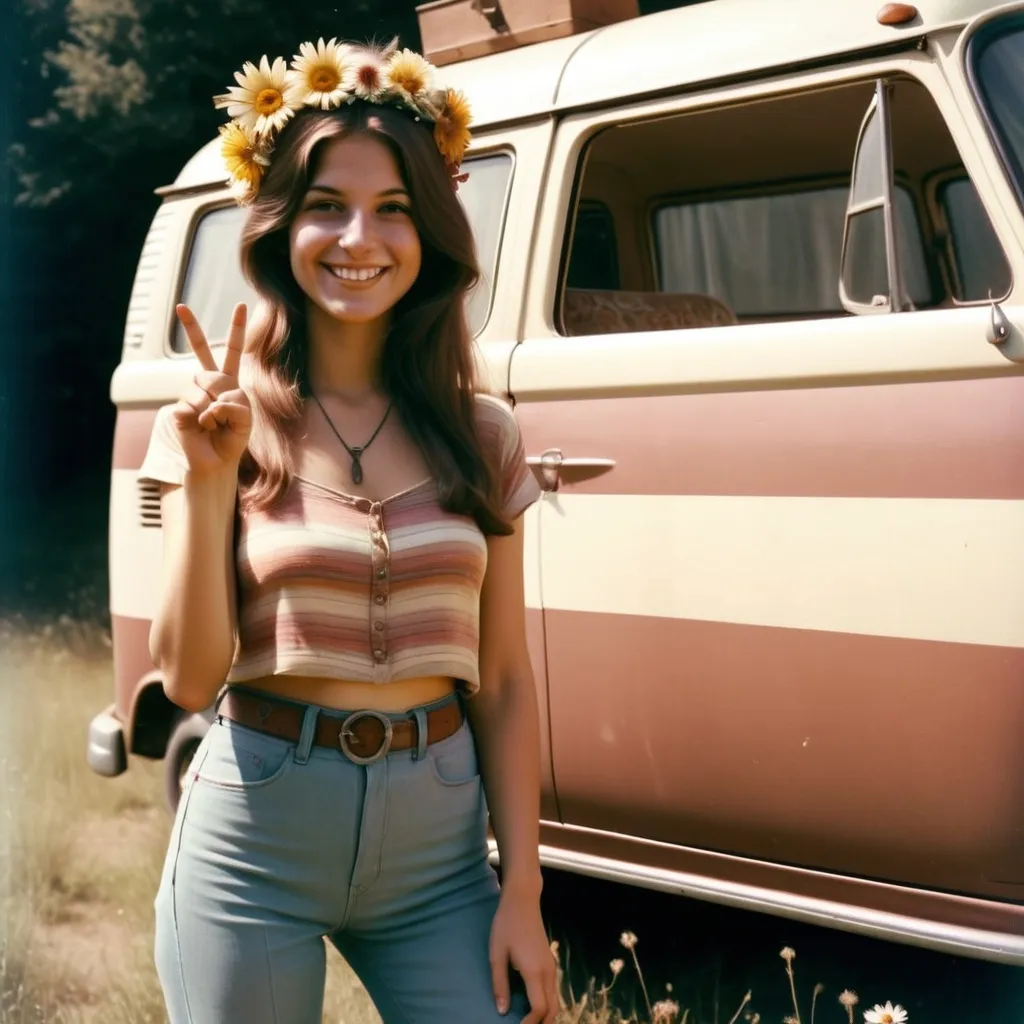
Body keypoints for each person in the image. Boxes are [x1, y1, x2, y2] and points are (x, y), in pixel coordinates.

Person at [140, 36, 557, 1024]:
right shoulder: (209, 421)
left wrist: (526, 896)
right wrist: (207, 486)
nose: (357, 237)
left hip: (438, 858)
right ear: (282, 224)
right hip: (255, 842)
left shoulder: (482, 432)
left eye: (393, 209)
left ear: (432, 233)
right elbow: (190, 681)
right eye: (326, 204)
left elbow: (500, 680)